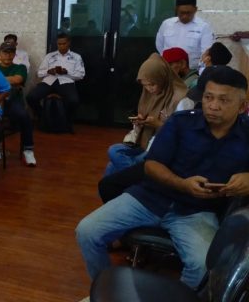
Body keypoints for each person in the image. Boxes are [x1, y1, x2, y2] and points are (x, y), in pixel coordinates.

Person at [76, 66, 249, 289]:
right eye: (208, 97)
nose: (213, 106)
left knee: (202, 265)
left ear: (242, 106)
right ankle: (107, 290)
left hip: (197, 212)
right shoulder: (181, 123)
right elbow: (151, 165)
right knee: (87, 231)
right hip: (149, 198)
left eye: (224, 100)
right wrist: (182, 184)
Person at [104, 53, 187, 177]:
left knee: (114, 158)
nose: (149, 89)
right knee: (113, 157)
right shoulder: (150, 93)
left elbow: (182, 133)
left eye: (152, 84)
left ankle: (139, 176)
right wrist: (141, 122)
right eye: (144, 85)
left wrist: (157, 124)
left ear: (162, 77)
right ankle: (136, 175)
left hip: (161, 149)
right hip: (145, 144)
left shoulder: (180, 98)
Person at [26, 32, 85, 125]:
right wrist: (48, 71)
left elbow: (81, 75)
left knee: (74, 101)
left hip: (66, 82)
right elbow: (39, 73)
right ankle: (42, 116)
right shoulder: (50, 56)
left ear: (69, 43)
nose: (61, 46)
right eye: (59, 44)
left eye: (64, 44)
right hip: (49, 81)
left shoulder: (76, 57)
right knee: (31, 97)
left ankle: (65, 120)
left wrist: (66, 72)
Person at [0, 43, 37, 166]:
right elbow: (12, 80)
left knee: (25, 116)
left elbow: (17, 79)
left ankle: (28, 150)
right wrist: (10, 80)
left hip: (13, 102)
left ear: (14, 55)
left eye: (11, 53)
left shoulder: (20, 67)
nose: (8, 55)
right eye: (5, 52)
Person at [155, 0, 214, 69]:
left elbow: (206, 53)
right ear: (176, 9)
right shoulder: (166, 24)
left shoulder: (204, 27)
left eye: (188, 13)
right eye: (182, 13)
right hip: (168, 70)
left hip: (191, 71)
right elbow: (160, 46)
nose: (185, 16)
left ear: (195, 9)